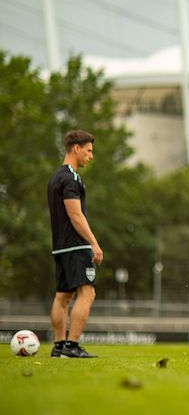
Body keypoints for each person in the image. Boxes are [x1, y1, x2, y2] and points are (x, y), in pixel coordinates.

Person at [48, 130, 103, 358]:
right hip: (76, 246)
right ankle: (72, 346)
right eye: (89, 150)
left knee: (63, 296)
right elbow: (76, 215)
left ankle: (59, 346)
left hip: (60, 246)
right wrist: (94, 243)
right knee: (87, 293)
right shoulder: (70, 178)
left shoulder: (55, 178)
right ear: (76, 148)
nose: (91, 155)